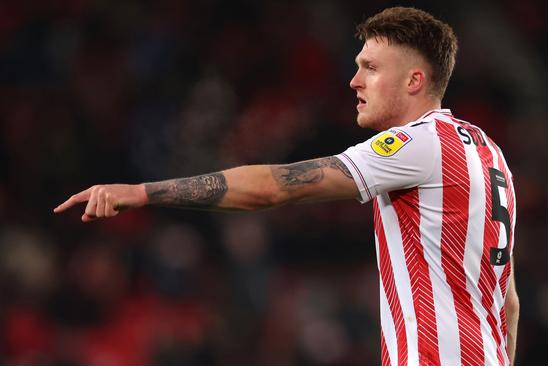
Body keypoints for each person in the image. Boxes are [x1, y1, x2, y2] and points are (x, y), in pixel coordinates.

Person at [54, 6, 519, 366]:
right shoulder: (489, 154)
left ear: (415, 80)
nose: (354, 80)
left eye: (371, 68)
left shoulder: (417, 145)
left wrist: (142, 192)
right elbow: (509, 302)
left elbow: (275, 186)